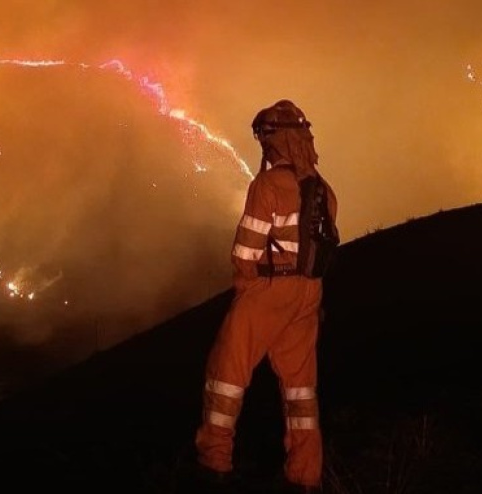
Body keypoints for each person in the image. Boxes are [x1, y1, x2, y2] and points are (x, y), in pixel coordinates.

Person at [193, 99, 339, 493]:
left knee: (226, 372)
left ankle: (214, 464)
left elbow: (245, 253)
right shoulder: (323, 189)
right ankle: (305, 475)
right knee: (300, 390)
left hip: (270, 289)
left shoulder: (269, 185)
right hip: (310, 294)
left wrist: (247, 292)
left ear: (273, 139)